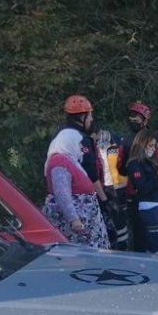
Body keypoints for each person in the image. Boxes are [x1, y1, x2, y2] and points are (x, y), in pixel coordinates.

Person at [42, 95, 110, 248]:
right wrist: (104, 200)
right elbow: (62, 191)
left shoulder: (66, 152)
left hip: (85, 214)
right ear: (82, 117)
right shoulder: (61, 161)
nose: (92, 119)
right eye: (90, 115)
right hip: (79, 220)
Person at [123, 129, 158, 253]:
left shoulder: (151, 161)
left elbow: (157, 183)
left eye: (154, 146)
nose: (152, 149)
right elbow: (143, 188)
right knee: (153, 247)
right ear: (142, 144)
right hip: (148, 207)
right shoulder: (134, 164)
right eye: (150, 145)